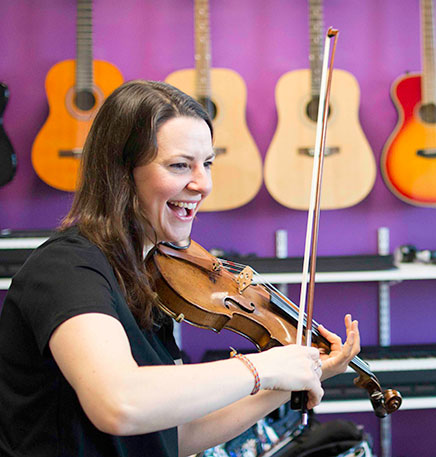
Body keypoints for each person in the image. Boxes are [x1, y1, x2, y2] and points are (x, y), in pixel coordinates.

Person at [0, 80, 361, 457]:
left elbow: (178, 433)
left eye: (206, 163)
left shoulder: (150, 273)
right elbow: (119, 404)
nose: (202, 184)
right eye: (179, 166)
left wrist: (291, 380)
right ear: (122, 172)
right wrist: (264, 368)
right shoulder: (66, 269)